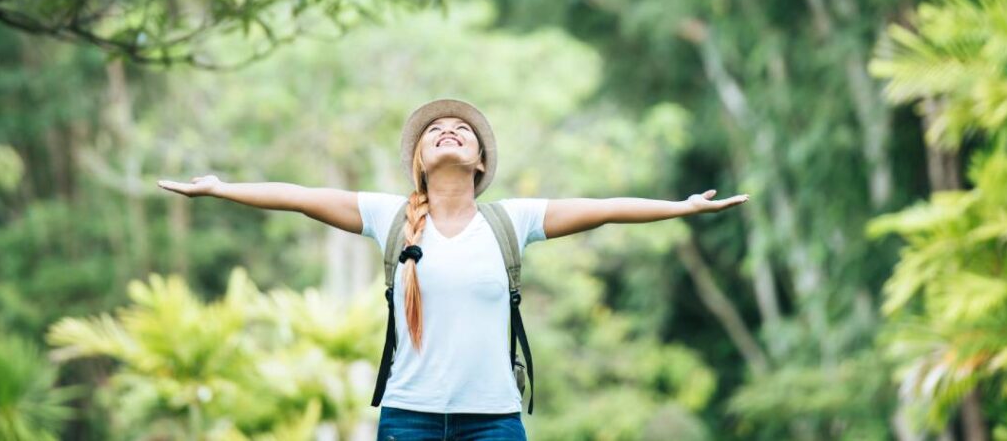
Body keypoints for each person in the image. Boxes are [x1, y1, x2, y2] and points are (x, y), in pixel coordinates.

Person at [158, 97, 749, 441]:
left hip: (493, 421)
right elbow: (298, 194)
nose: (448, 132)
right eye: (436, 132)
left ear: (479, 161)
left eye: (461, 131)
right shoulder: (386, 216)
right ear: (420, 160)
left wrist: (681, 207)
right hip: (406, 419)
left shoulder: (509, 223)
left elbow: (602, 209)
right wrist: (221, 189)